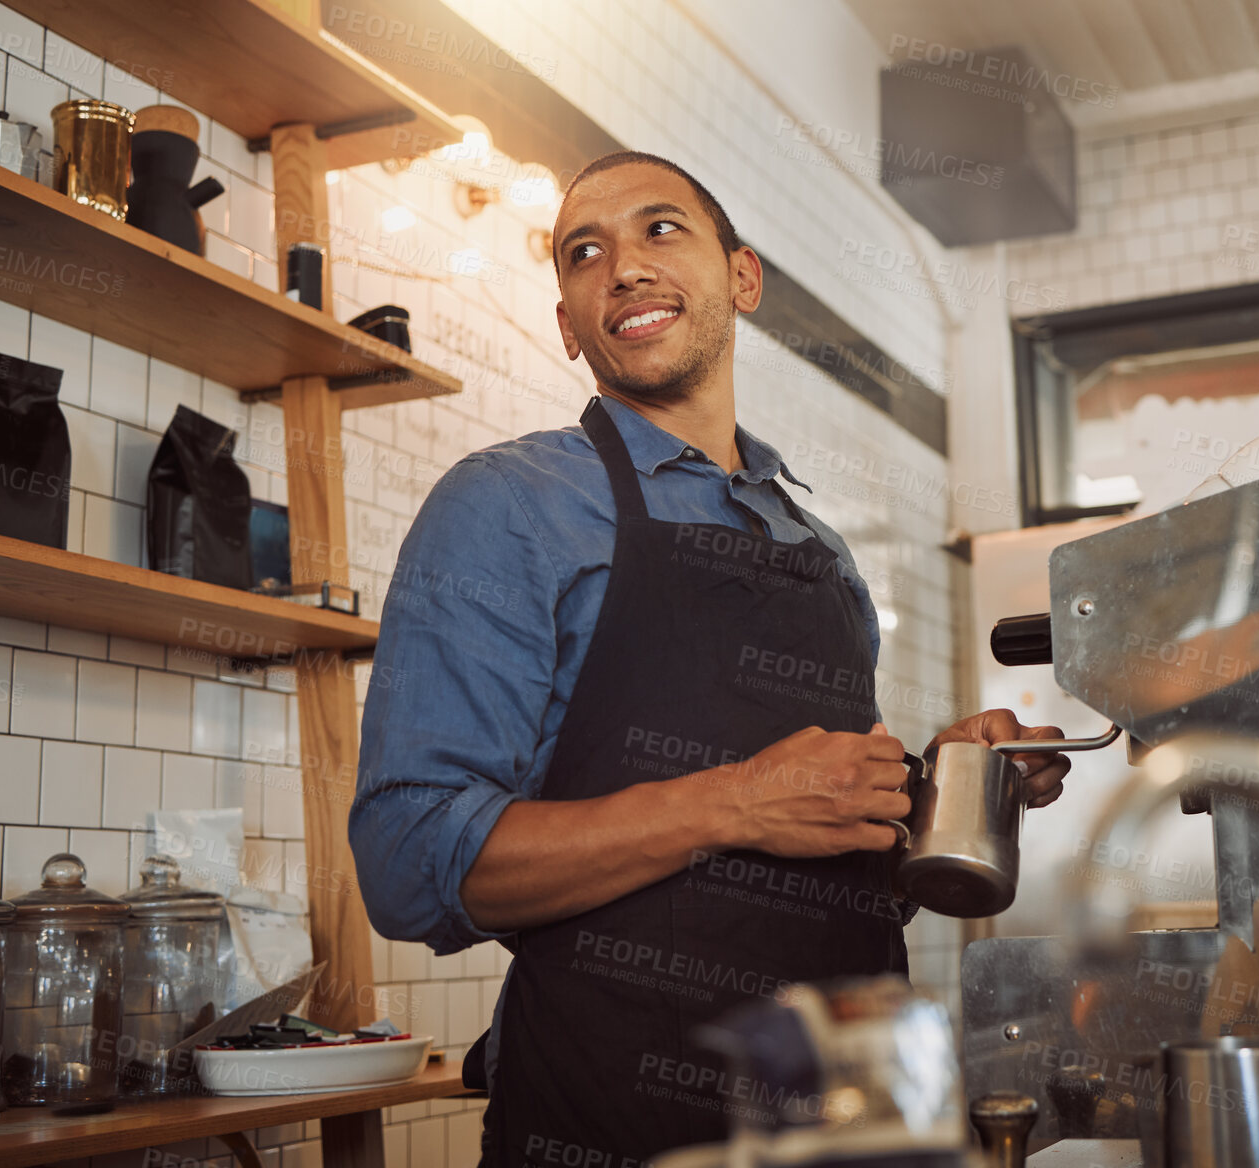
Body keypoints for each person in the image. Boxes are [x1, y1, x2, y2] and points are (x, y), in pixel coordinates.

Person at [350, 151, 1072, 1165]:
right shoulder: (507, 505)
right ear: (567, 325)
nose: (624, 269)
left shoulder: (819, 550)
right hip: (612, 1118)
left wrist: (937, 790)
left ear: (742, 278)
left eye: (659, 230)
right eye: (583, 252)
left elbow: (830, 862)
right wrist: (735, 800)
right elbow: (405, 863)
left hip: (848, 1117)